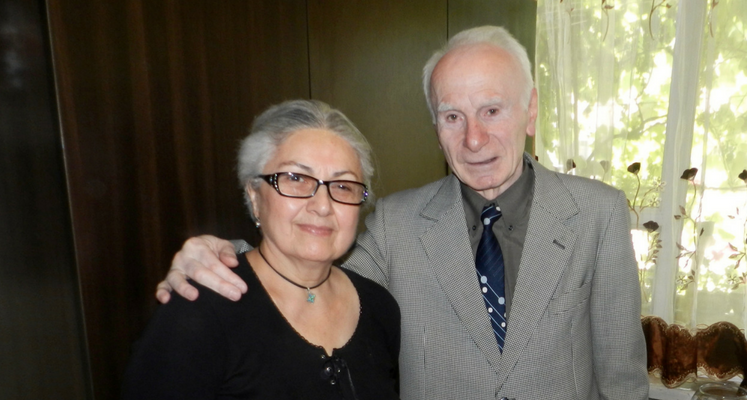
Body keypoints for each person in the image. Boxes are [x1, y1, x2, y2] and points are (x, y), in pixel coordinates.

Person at [158, 26, 649, 399]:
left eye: (492, 111)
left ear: (532, 110)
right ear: (435, 125)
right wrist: (226, 259)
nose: (473, 139)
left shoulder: (597, 213)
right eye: (452, 116)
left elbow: (621, 378)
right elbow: (313, 275)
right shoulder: (398, 221)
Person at [125, 100, 401, 399]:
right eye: (295, 179)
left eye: (343, 186)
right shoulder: (200, 309)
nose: (323, 206)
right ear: (255, 196)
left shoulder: (379, 308)